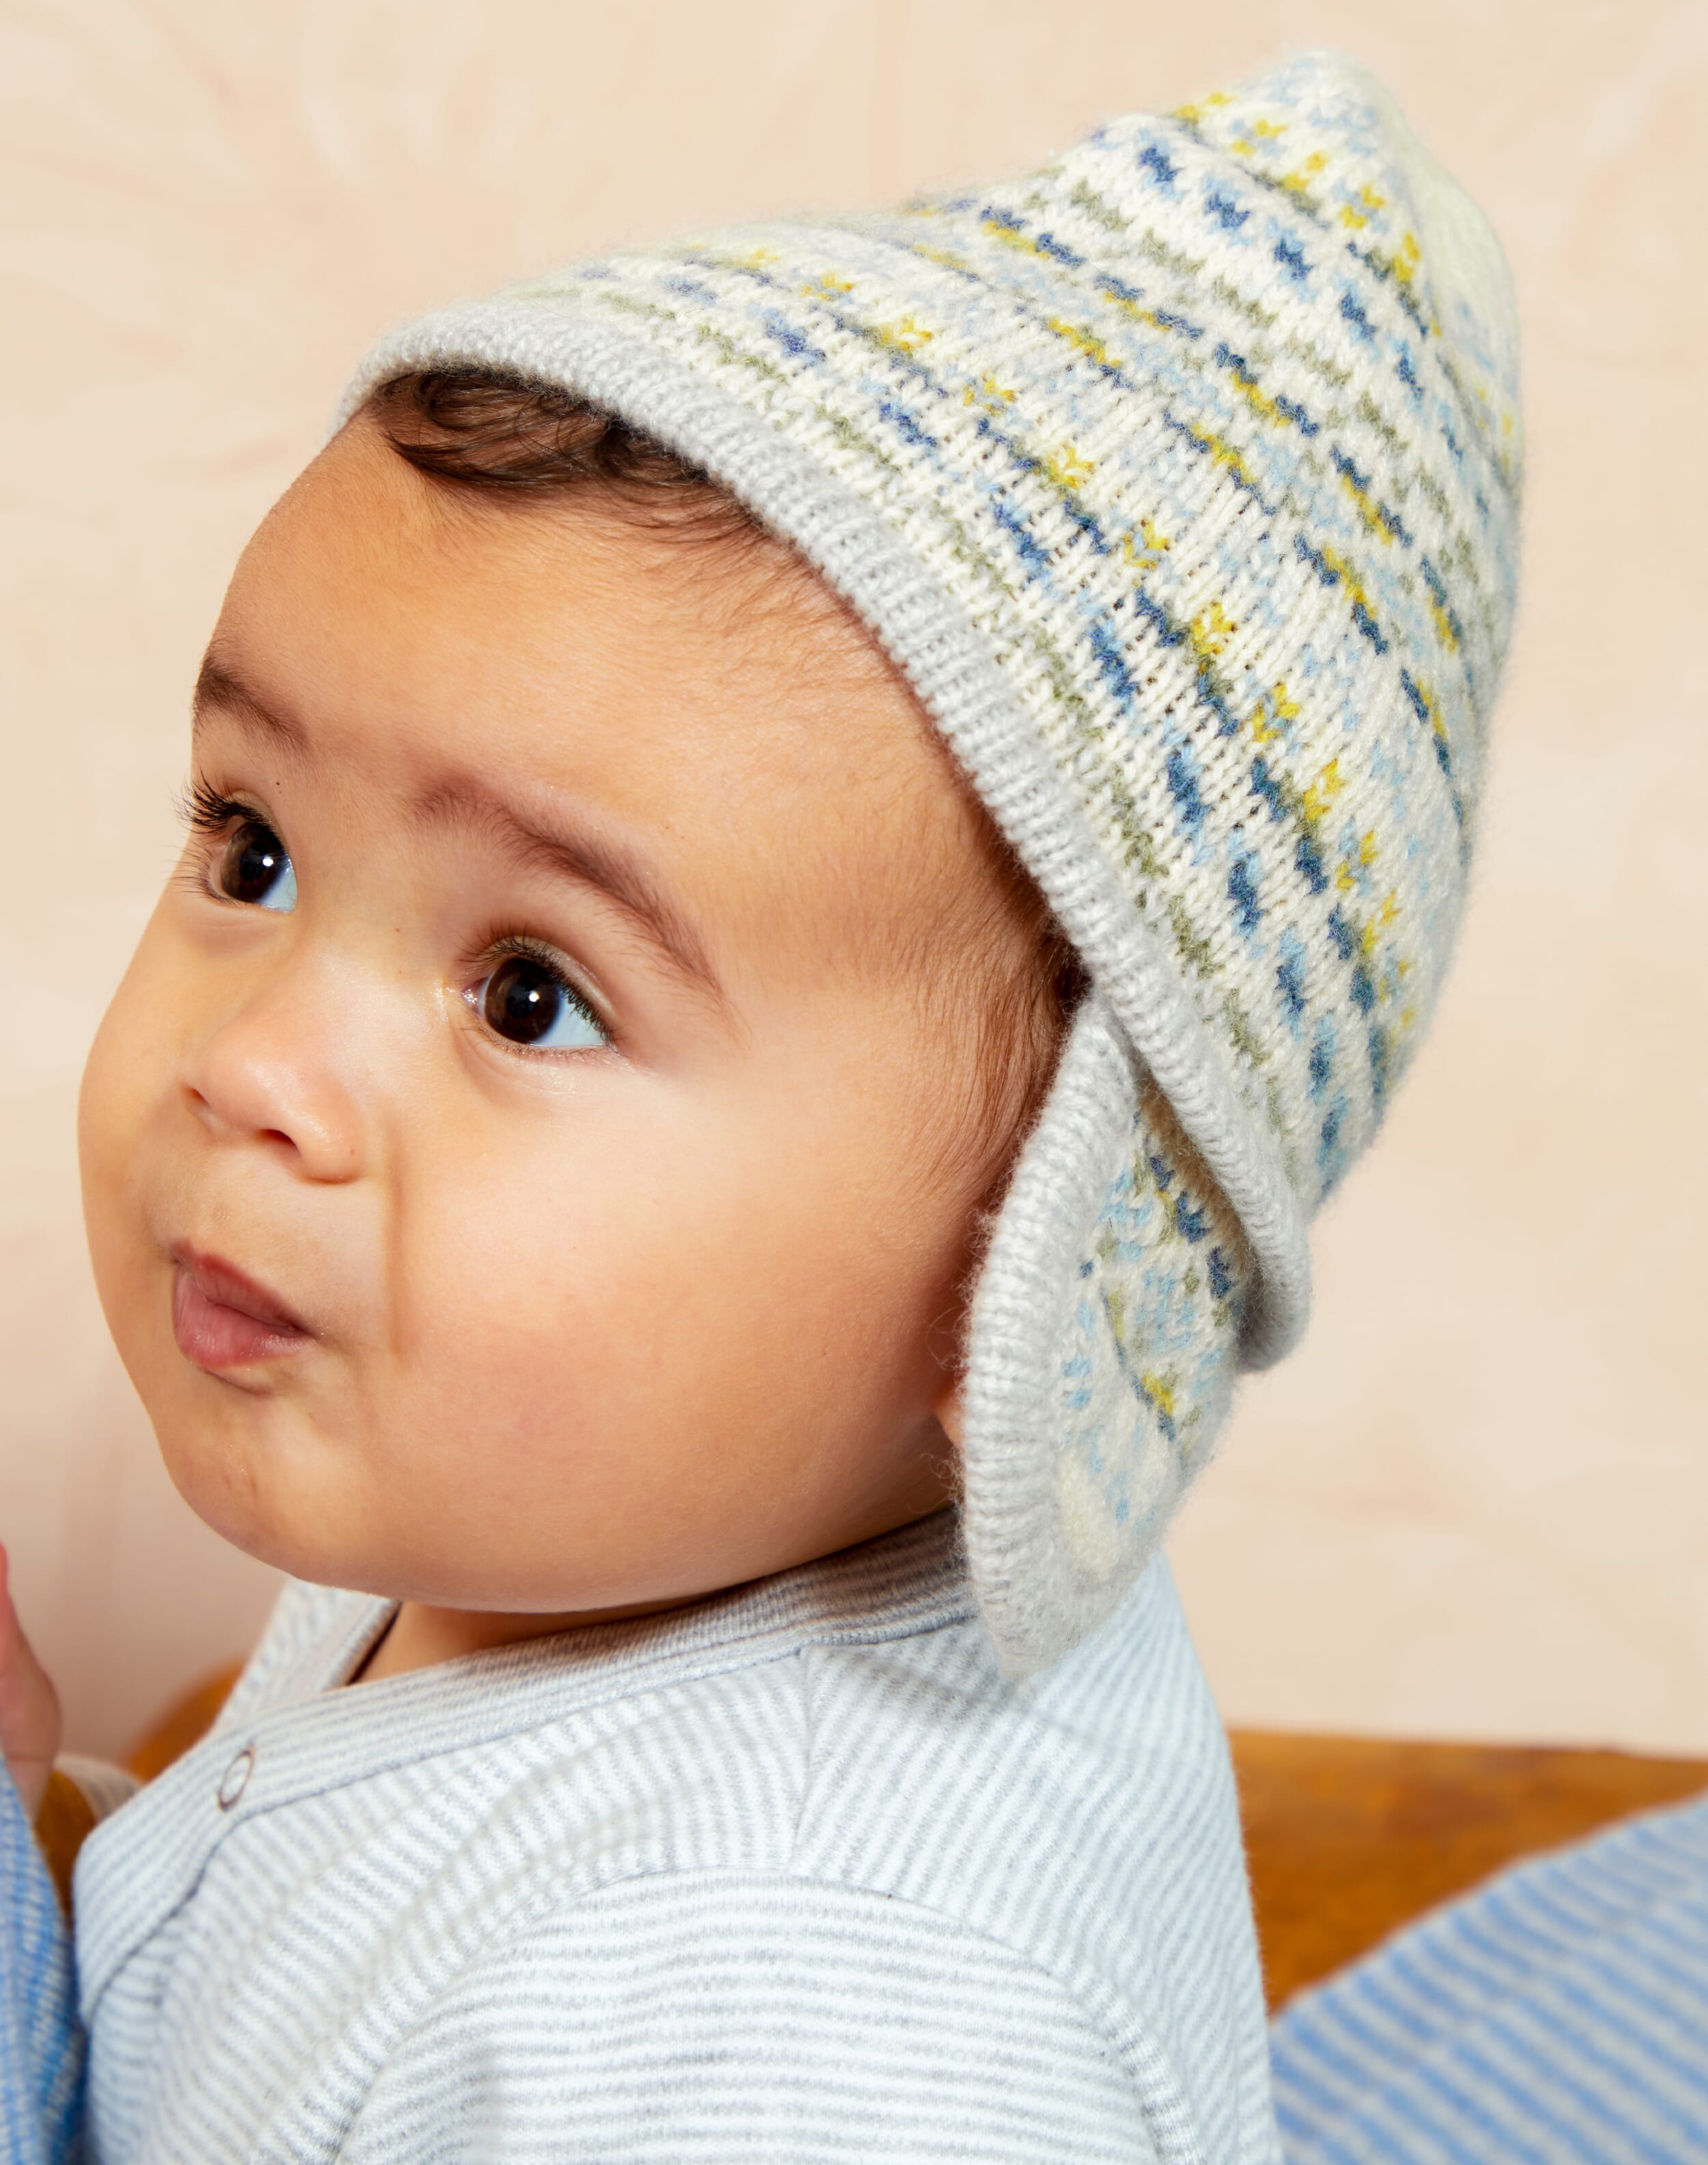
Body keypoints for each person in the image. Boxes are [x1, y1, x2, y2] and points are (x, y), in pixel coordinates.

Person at [0, 47, 1519, 2162]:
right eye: (252, 850)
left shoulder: (778, 2019)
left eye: (530, 996)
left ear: (1051, 1271)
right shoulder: (553, 1500)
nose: (248, 1069)